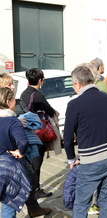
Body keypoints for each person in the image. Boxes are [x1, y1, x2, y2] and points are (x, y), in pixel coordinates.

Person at [64, 66, 107, 216]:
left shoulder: (74, 104)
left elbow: (67, 137)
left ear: (77, 84)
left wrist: (71, 159)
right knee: (106, 200)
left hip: (90, 159)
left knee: (81, 203)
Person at [20, 68, 55, 199]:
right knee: (37, 161)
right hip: (38, 132)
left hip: (27, 131)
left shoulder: (23, 93)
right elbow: (50, 111)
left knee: (31, 161)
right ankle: (36, 189)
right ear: (40, 80)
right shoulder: (37, 95)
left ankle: (33, 187)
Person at [0, 88, 32, 218]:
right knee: (9, 202)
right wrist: (20, 152)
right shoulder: (13, 121)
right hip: (10, 167)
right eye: (14, 99)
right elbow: (23, 142)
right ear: (8, 101)